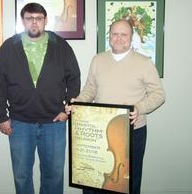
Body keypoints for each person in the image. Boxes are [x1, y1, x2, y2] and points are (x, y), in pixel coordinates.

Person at [66, 19, 165, 194]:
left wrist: (139, 108)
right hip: (100, 130)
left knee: (128, 182)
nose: (119, 38)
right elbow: (90, 89)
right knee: (95, 180)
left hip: (132, 130)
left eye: (124, 34)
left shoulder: (144, 62)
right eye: (115, 34)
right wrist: (78, 103)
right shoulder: (98, 60)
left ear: (131, 37)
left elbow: (159, 95)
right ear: (109, 36)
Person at [0, 2, 80, 194]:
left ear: (45, 20)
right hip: (19, 122)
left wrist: (67, 110)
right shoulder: (9, 47)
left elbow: (74, 79)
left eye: (39, 18)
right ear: (22, 21)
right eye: (29, 18)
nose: (34, 23)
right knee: (21, 175)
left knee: (54, 174)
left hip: (54, 122)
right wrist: (1, 116)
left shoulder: (61, 46)